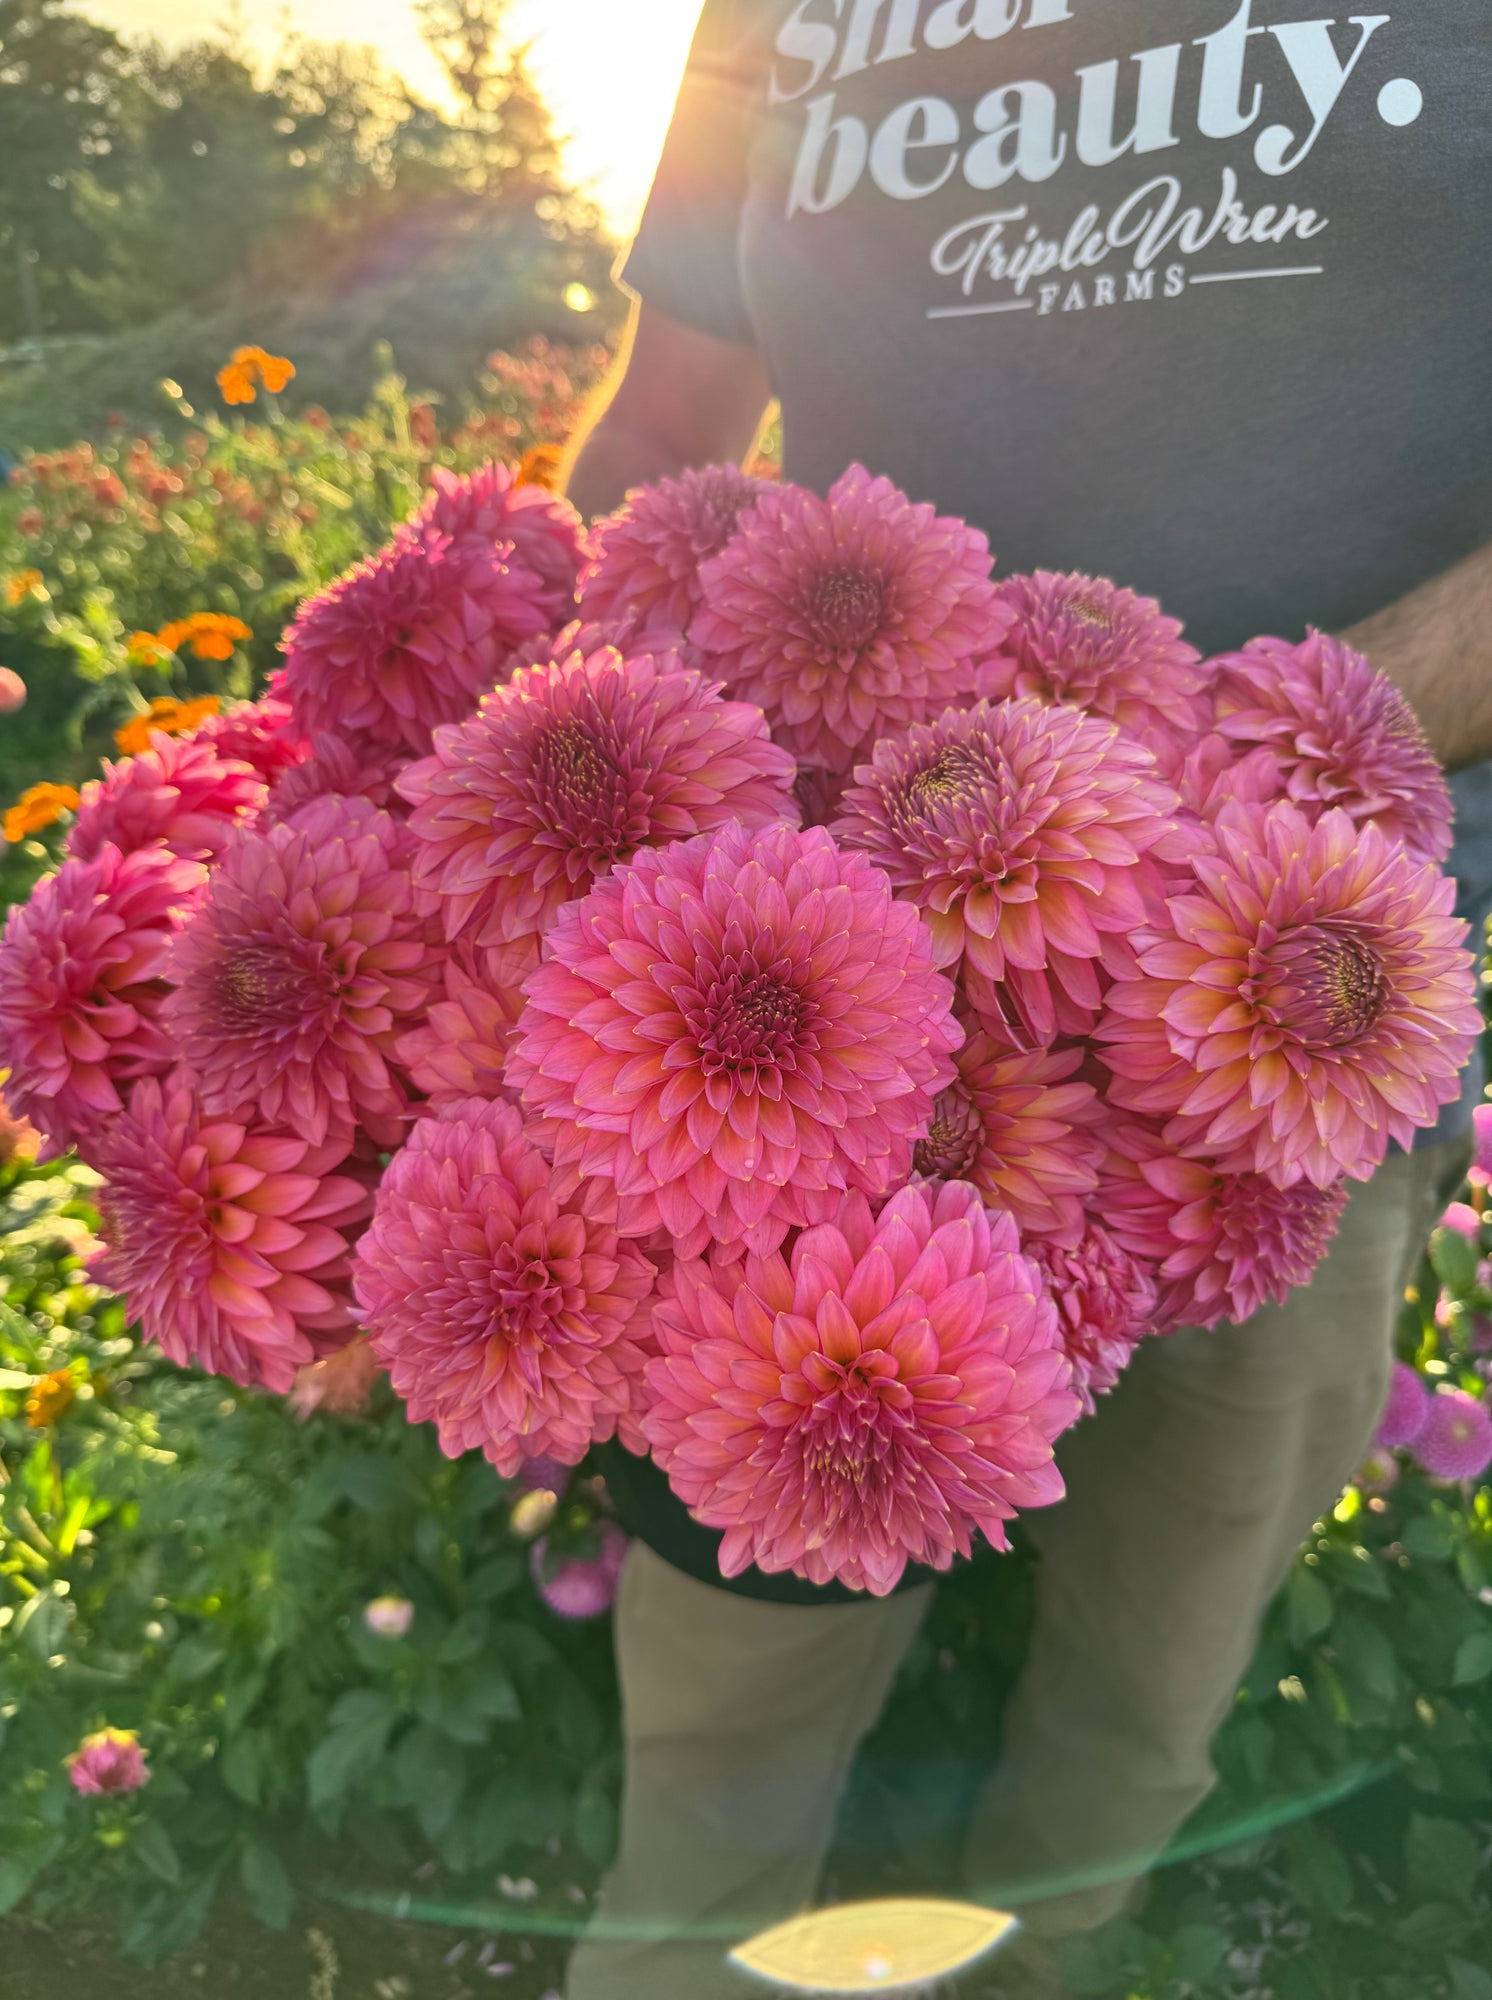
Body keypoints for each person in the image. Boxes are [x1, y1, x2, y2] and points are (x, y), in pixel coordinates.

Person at [560, 5, 1492, 1994]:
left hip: (1290, 1029)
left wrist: (1263, 773)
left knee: (1140, 1699)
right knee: (716, 1729)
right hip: (769, 1010)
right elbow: (664, 421)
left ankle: (1038, 1962)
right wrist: (530, 758)